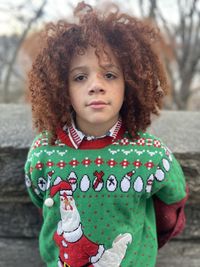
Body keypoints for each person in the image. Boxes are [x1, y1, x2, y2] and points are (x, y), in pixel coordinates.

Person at [24, 2, 188, 267]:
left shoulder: (151, 156)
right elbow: (40, 198)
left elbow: (172, 205)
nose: (96, 86)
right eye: (79, 77)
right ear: (61, 87)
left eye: (110, 74)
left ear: (130, 83)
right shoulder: (44, 152)